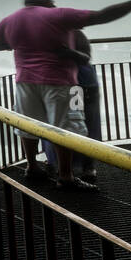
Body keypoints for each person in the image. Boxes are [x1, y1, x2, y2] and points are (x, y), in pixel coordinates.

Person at [0, 0, 131, 190]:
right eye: (50, 0)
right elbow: (101, 16)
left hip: (25, 80)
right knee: (63, 128)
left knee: (27, 125)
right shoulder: (59, 15)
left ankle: (32, 166)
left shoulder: (10, 20)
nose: (53, 3)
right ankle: (66, 176)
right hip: (58, 81)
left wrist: (15, 43)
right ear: (44, 0)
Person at [43, 30, 102, 180]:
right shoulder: (72, 34)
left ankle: (86, 165)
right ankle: (61, 163)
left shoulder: (72, 34)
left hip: (80, 86)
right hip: (70, 85)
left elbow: (85, 57)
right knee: (66, 124)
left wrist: (68, 53)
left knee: (83, 124)